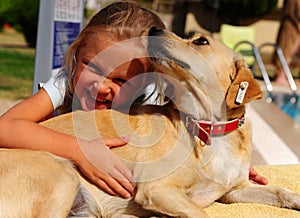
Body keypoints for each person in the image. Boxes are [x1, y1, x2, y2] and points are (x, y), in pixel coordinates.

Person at [0, 0, 267, 200]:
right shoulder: (64, 81)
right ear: (77, 52)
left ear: (148, 80)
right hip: (39, 173)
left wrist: (229, 166)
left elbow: (198, 131)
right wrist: (77, 149)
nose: (101, 86)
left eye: (120, 81)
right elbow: (5, 127)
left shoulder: (153, 97)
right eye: (91, 65)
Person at [273, 0, 300, 85]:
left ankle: (283, 75)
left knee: (290, 52)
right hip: (292, 27)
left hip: (294, 26)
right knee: (286, 52)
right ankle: (280, 76)